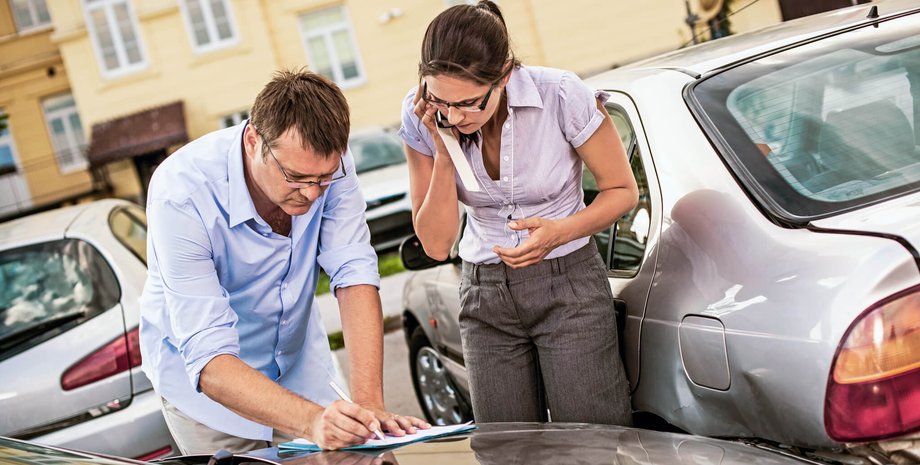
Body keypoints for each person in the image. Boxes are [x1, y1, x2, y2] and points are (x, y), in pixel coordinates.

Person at [139, 69, 428, 454]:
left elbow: (354, 273)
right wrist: (312, 422)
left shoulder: (329, 165)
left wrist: (368, 406)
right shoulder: (181, 194)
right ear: (253, 139)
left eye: (323, 179)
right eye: (295, 177)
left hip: (300, 368)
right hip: (212, 397)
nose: (311, 194)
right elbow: (209, 358)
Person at [399, 1, 638, 424]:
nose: (454, 115)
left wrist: (561, 231)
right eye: (440, 101)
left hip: (568, 288)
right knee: (506, 448)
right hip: (484, 296)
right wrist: (442, 149)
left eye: (470, 103)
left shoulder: (561, 94)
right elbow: (436, 245)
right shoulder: (424, 116)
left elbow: (622, 191)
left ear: (504, 74)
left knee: (593, 443)